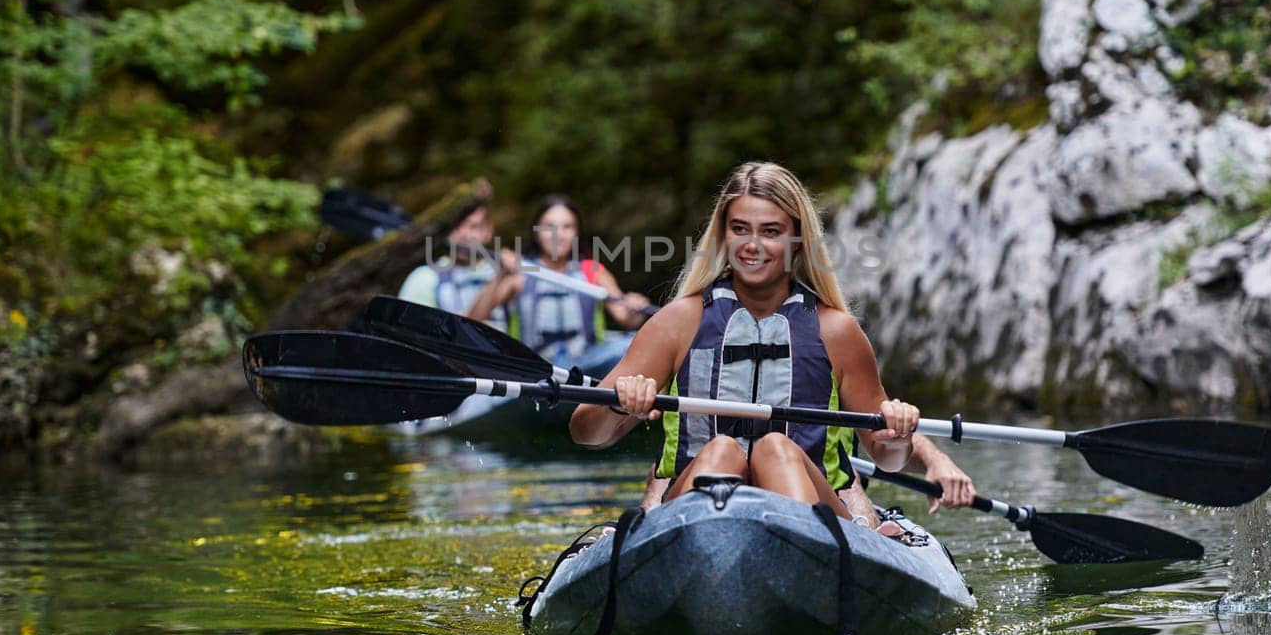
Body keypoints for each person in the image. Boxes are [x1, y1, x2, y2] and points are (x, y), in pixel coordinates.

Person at [570, 161, 974, 521]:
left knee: (774, 449)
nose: (752, 245)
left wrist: (900, 437)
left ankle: (801, 553)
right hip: (695, 509)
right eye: (739, 228)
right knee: (721, 451)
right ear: (723, 235)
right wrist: (620, 406)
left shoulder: (836, 332)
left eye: (771, 232)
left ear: (797, 240)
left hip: (812, 500)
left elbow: (885, 456)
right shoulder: (678, 322)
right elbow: (586, 433)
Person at [466, 193, 652, 378]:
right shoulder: (519, 274)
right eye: (550, 227)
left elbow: (626, 320)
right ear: (536, 232)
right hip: (536, 373)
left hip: (586, 366)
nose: (558, 235)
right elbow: (474, 318)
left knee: (628, 344)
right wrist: (500, 275)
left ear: (576, 232)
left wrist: (635, 307)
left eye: (567, 227)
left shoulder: (591, 270)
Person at [397, 198, 507, 328]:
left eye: (473, 226)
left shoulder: (510, 275)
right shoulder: (423, 278)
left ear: (488, 231)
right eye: (456, 226)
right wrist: (499, 277)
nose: (464, 235)